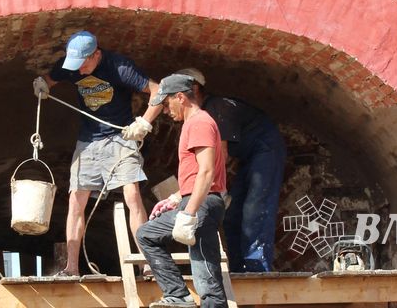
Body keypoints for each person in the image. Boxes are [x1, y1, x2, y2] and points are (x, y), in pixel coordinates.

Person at [32, 31, 160, 276]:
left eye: (83, 65)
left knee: (132, 195)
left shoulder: (120, 67)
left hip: (121, 136)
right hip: (88, 140)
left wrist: (144, 123)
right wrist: (42, 86)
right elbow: (49, 79)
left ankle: (147, 264)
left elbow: (157, 90)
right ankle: (71, 267)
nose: (78, 71)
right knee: (75, 201)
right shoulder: (71, 66)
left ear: (96, 55)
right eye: (74, 66)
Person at [176, 67, 286, 273]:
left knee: (255, 210)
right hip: (249, 158)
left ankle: (257, 270)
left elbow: (221, 156)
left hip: (266, 151)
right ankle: (238, 268)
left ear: (194, 88)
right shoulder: (203, 114)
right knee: (232, 214)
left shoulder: (216, 108)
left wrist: (210, 189)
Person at [136, 74, 229, 308]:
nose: (166, 111)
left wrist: (189, 212)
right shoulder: (194, 123)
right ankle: (178, 295)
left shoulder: (199, 123)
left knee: (206, 275)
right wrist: (176, 197)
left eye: (167, 104)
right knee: (149, 235)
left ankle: (179, 295)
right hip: (198, 201)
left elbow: (207, 173)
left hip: (203, 204)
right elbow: (196, 173)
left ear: (181, 97)